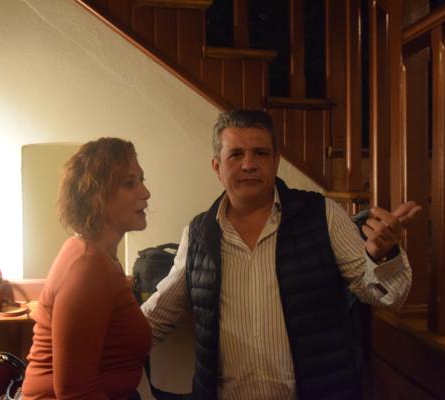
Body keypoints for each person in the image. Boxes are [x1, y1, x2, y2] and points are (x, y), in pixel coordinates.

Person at [141, 109, 422, 400]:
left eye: (260, 153)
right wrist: (109, 345)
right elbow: (158, 315)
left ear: (275, 161)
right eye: (236, 154)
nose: (249, 164)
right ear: (217, 167)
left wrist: (382, 256)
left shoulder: (323, 215)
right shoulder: (198, 234)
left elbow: (388, 297)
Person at [22, 138, 152, 400]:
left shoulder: (98, 257)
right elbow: (75, 393)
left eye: (141, 180)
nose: (145, 193)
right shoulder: (86, 267)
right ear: (97, 197)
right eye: (130, 183)